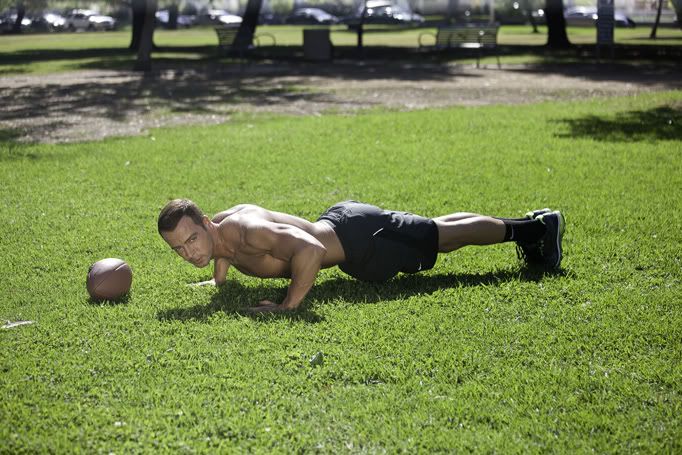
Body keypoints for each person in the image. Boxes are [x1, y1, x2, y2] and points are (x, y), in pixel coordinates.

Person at [158, 199, 565, 313]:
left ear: (207, 223)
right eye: (179, 248)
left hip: (361, 241)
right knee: (436, 229)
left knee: (443, 237)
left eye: (192, 239)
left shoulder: (246, 231)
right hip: (346, 227)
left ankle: (537, 228)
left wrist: (288, 305)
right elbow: (223, 251)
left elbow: (311, 250)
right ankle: (528, 229)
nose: (188, 252)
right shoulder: (221, 237)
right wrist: (217, 279)